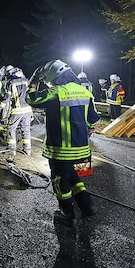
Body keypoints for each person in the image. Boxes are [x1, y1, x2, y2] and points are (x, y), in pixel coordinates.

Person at [27, 59, 100, 228]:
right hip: (83, 151)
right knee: (75, 177)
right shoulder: (85, 92)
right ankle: (87, 206)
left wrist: (34, 79)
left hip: (61, 151)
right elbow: (92, 121)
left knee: (60, 182)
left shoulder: (55, 92)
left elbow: (31, 99)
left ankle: (68, 215)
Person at [0, 67, 33, 155]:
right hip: (28, 109)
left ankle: (11, 149)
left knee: (11, 128)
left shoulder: (11, 83)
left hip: (18, 110)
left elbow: (6, 98)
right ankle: (27, 150)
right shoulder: (26, 80)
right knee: (26, 129)